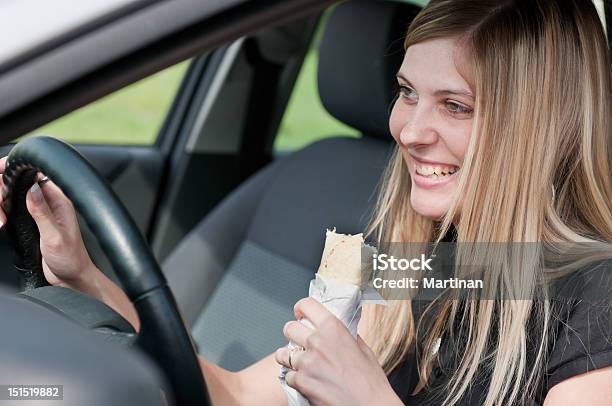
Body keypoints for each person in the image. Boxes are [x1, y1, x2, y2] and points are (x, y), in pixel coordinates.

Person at [1, 0, 611, 404]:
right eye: (406, 92)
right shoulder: (416, 263)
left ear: (538, 127)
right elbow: (235, 395)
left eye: (455, 105)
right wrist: (81, 275)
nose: (409, 130)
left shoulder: (596, 299)